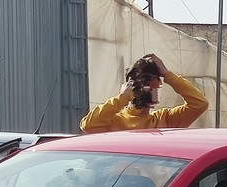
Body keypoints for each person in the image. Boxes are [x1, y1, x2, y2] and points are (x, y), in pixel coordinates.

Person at [80, 53, 209, 133]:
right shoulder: (115, 120)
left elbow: (200, 104)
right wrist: (121, 99)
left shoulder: (164, 120)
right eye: (145, 82)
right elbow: (88, 126)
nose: (158, 85)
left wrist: (167, 74)